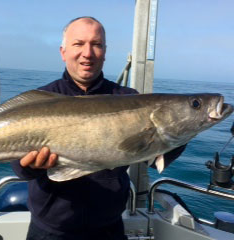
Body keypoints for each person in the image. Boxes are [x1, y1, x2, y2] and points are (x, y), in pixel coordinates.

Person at [11, 16, 186, 240]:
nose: (88, 52)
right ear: (63, 52)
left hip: (109, 229)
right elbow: (19, 168)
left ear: (104, 52)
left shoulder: (129, 100)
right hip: (49, 231)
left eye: (96, 44)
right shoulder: (39, 103)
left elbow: (153, 159)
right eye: (78, 44)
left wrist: (187, 125)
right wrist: (32, 167)